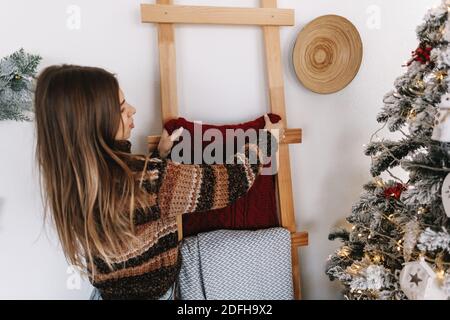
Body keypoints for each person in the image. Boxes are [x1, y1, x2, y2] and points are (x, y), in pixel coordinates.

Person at [34, 65, 283, 300]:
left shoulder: (74, 182)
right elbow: (230, 182)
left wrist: (158, 158)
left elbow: (135, 209)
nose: (132, 109)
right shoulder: (148, 179)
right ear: (93, 122)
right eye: (121, 108)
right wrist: (266, 141)